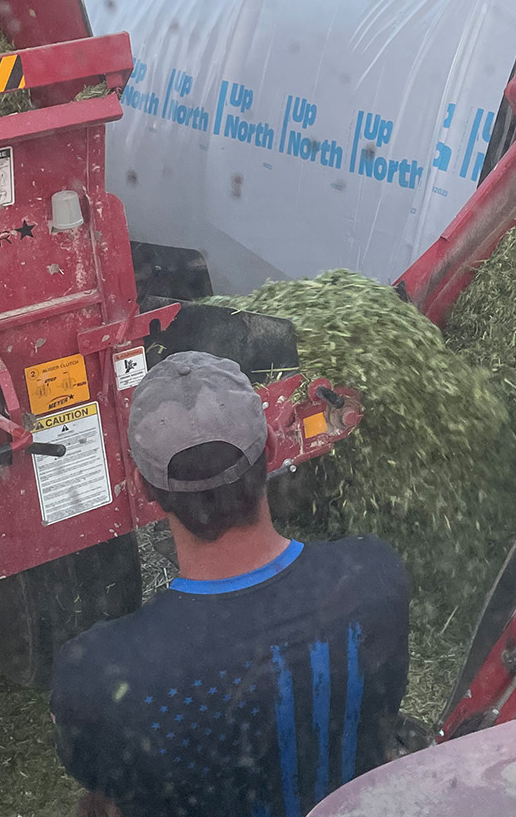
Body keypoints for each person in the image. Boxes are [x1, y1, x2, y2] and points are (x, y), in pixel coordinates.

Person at [51, 350, 411, 817]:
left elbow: (101, 779)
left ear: (143, 487)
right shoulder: (374, 576)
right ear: (272, 450)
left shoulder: (97, 675)